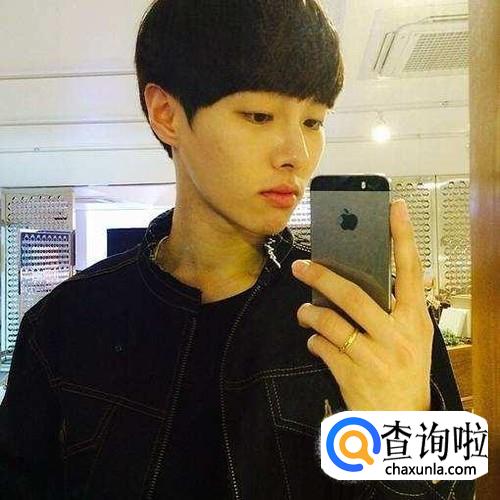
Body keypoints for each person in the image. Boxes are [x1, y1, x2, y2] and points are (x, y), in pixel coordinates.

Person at [0, 0, 475, 498]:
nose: (297, 154)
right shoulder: (64, 324)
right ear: (166, 113)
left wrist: (408, 423)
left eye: (313, 121)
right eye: (259, 115)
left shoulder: (377, 316)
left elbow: (465, 487)